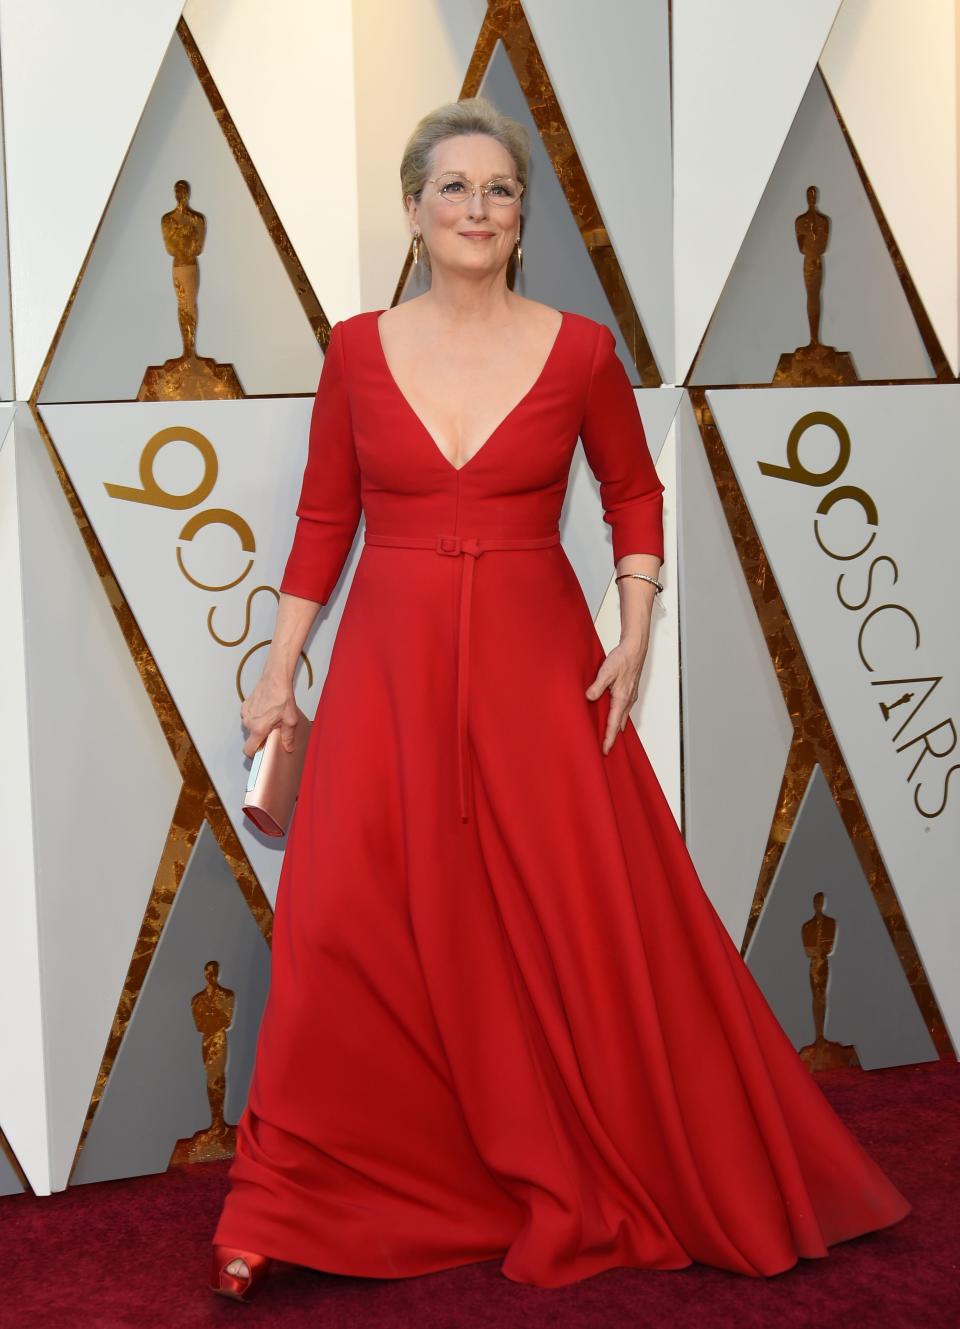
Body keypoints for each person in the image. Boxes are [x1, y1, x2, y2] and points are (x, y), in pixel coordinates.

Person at [209, 96, 910, 1303]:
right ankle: (285, 1203)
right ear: (415, 211)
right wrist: (279, 668)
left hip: (538, 666)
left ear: (520, 217)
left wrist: (633, 628)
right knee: (342, 925)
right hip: (388, 667)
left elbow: (634, 493)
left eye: (500, 190)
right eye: (456, 188)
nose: (478, 208)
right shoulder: (355, 350)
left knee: (577, 924)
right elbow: (326, 519)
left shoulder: (580, 349)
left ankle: (583, 1159)